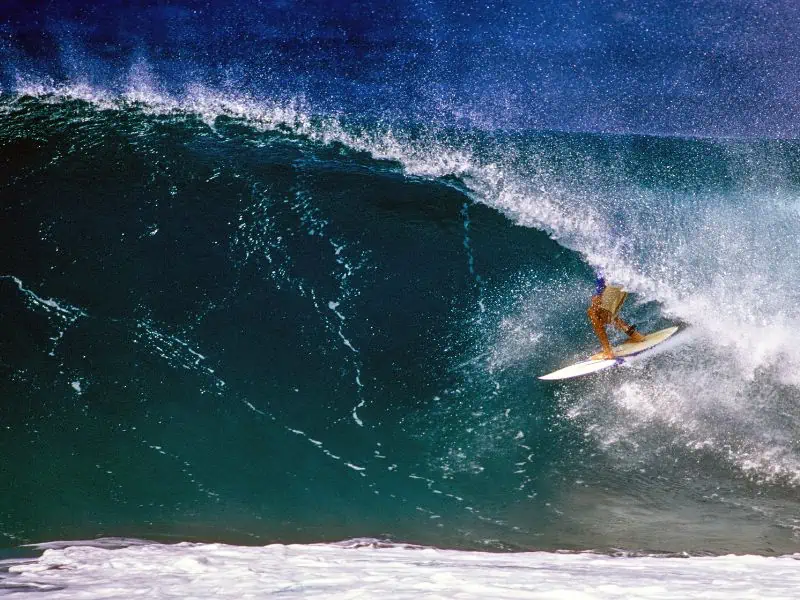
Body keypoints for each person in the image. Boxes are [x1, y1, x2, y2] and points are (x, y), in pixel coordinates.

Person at [588, 276, 645, 359]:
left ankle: (607, 352)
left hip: (614, 281)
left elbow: (602, 267)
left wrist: (599, 293)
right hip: (620, 279)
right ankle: (636, 336)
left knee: (594, 313)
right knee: (606, 314)